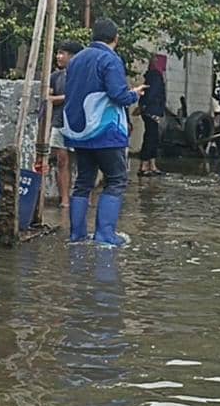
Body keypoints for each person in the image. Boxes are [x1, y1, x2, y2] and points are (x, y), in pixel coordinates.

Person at [62, 18, 147, 245]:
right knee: (117, 180)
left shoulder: (76, 59)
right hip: (106, 132)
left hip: (79, 132)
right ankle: (105, 236)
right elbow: (118, 95)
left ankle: (77, 235)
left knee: (83, 182)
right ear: (115, 39)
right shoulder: (110, 59)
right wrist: (134, 94)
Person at [47, 40, 85, 208]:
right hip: (59, 122)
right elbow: (48, 98)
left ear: (72, 56)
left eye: (62, 53)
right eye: (58, 53)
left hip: (80, 124)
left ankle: (83, 198)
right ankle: (65, 200)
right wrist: (67, 97)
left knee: (85, 161)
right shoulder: (55, 77)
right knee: (62, 160)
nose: (58, 56)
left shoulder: (84, 76)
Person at [137, 65, 167, 177]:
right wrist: (147, 106)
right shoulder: (156, 76)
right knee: (151, 137)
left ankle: (151, 164)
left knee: (153, 137)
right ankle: (145, 165)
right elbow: (152, 93)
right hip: (152, 111)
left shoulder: (151, 76)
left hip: (151, 111)